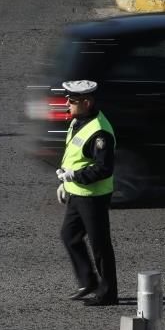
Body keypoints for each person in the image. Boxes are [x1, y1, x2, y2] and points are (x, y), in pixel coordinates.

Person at [55, 80, 118, 306]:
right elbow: (75, 155)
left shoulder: (100, 132)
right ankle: (88, 281)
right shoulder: (79, 121)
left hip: (93, 197)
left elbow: (104, 168)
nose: (67, 104)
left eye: (71, 101)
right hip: (77, 193)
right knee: (69, 236)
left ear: (87, 102)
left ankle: (108, 294)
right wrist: (66, 182)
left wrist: (74, 176)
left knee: (100, 244)